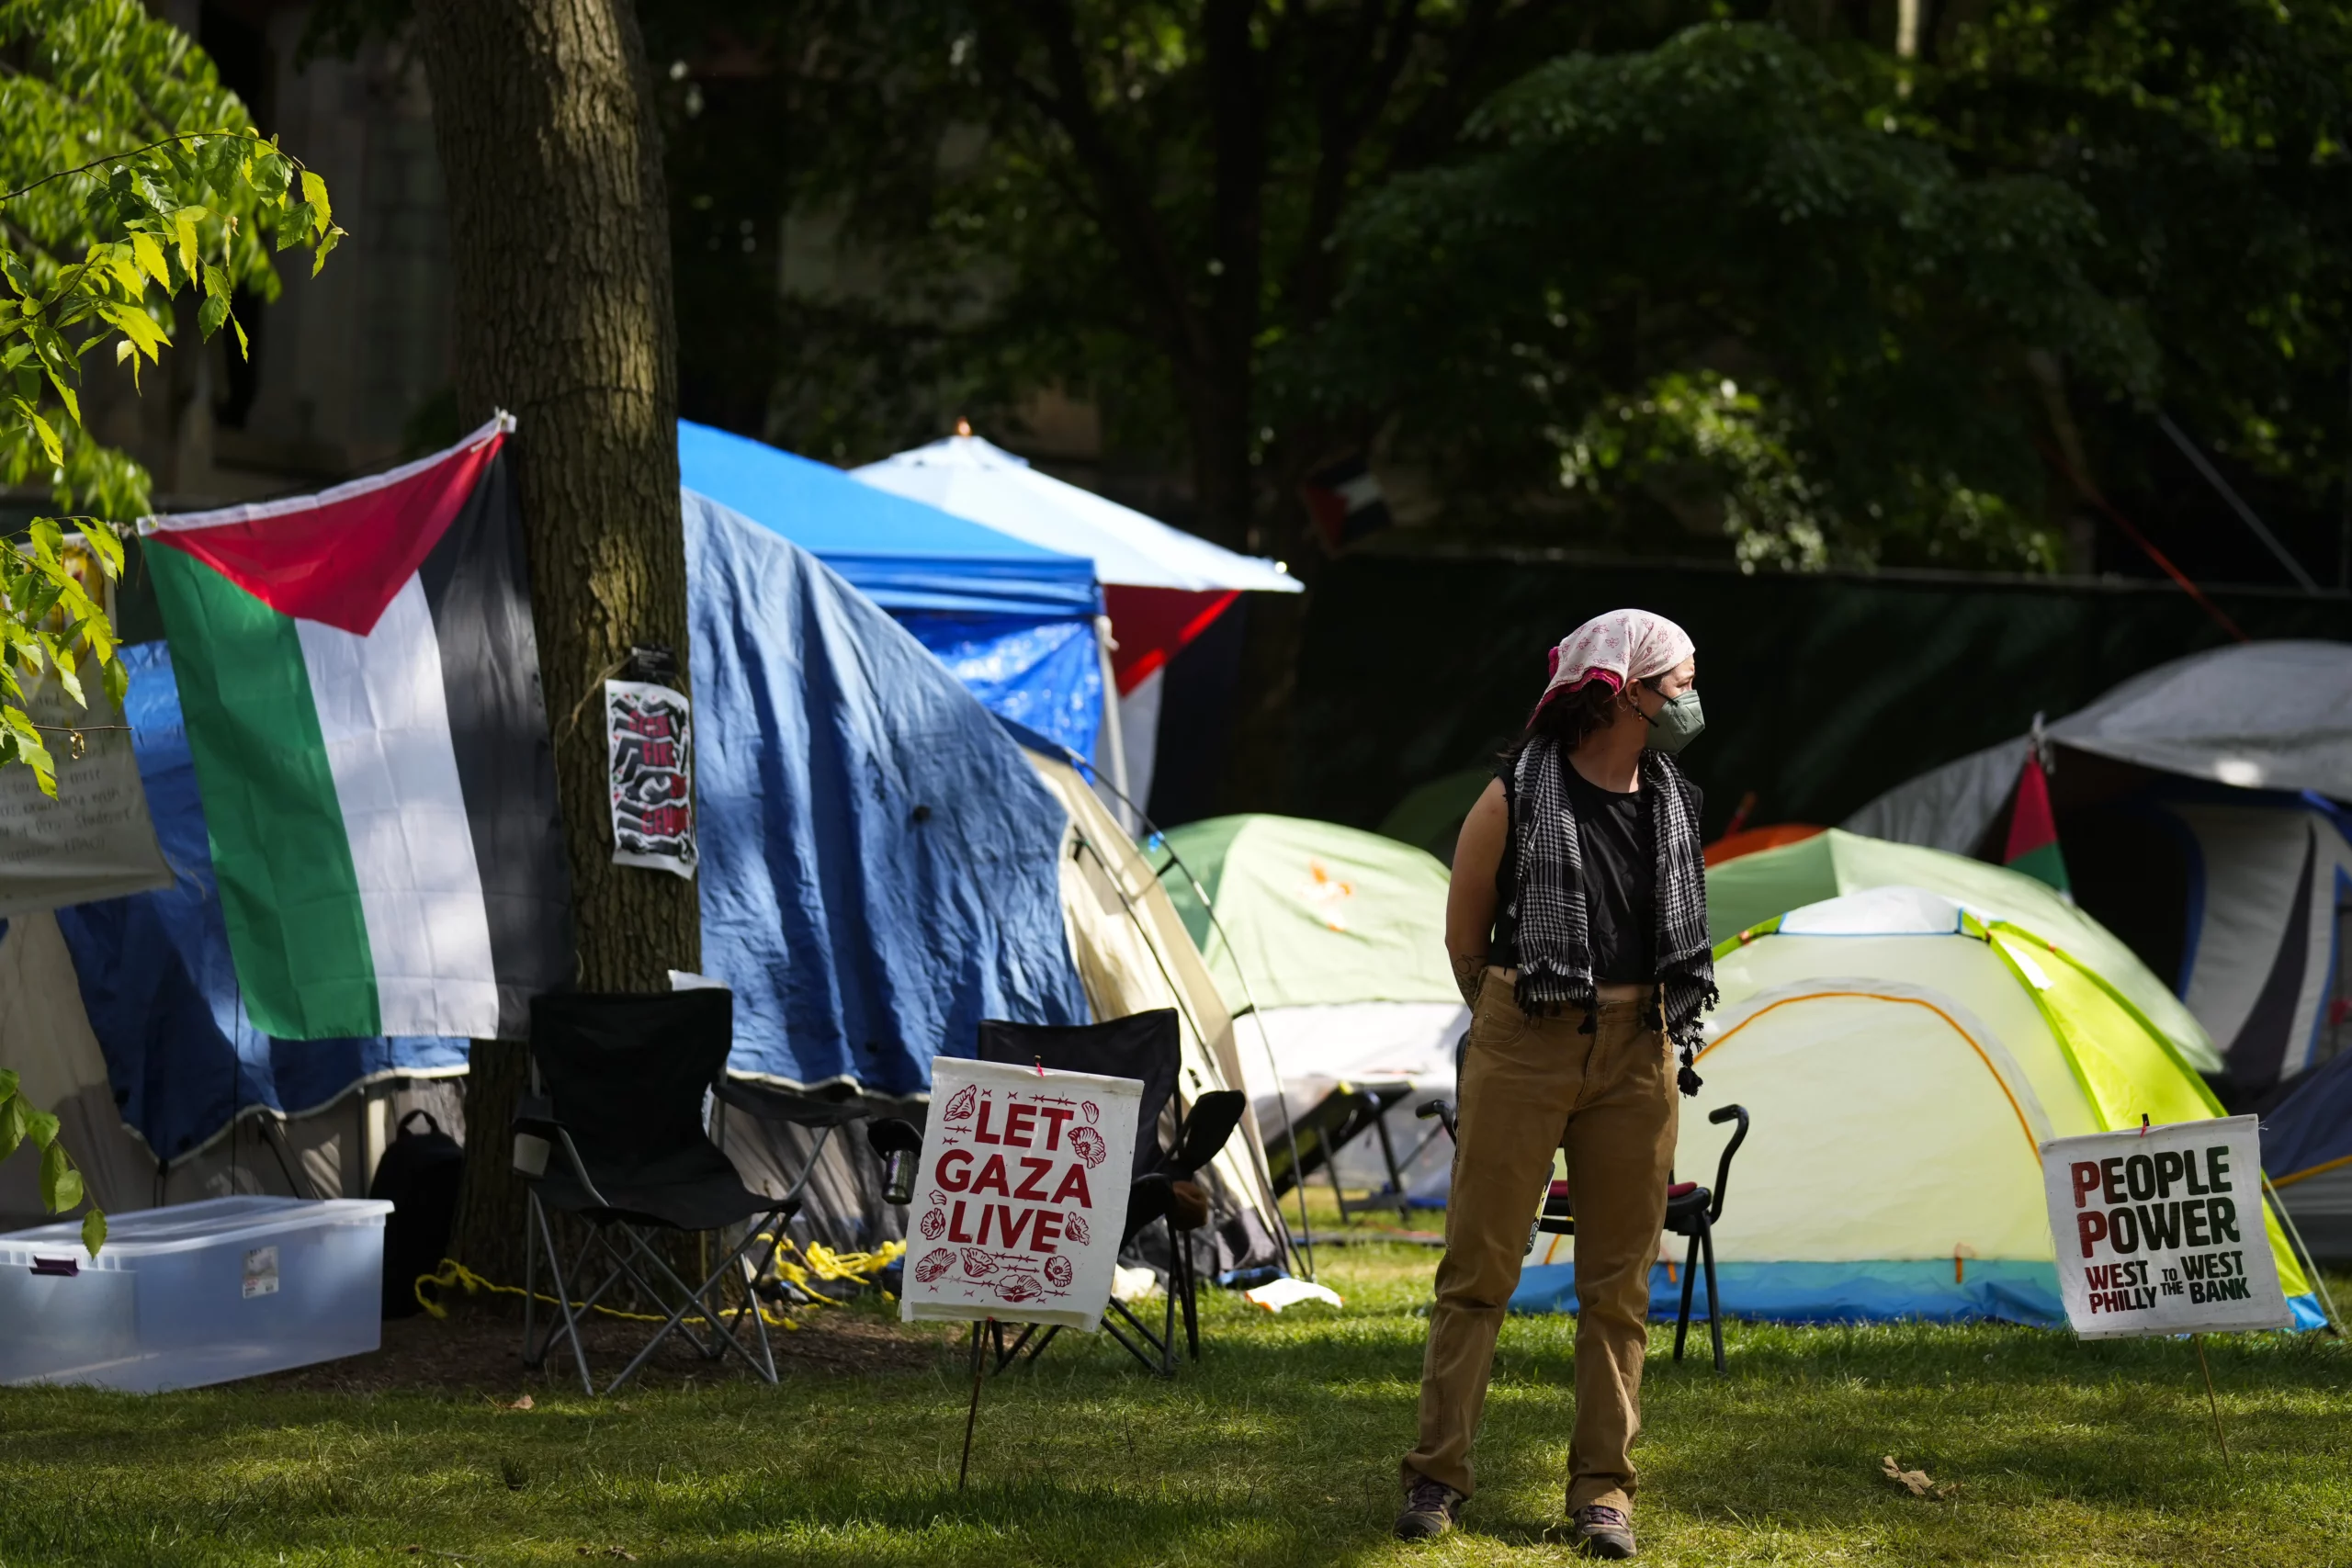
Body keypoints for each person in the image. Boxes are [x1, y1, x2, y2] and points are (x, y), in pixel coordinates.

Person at [1395, 609, 1716, 1562]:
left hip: (1640, 1045)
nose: (1691, 704)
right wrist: (1519, 1018)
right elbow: (1464, 941)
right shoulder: (1514, 796)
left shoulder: (1675, 799)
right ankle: (1434, 1477)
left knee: (1616, 1288)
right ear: (1621, 691)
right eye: (1679, 685)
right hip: (1524, 1037)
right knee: (1478, 1274)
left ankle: (1603, 1495)